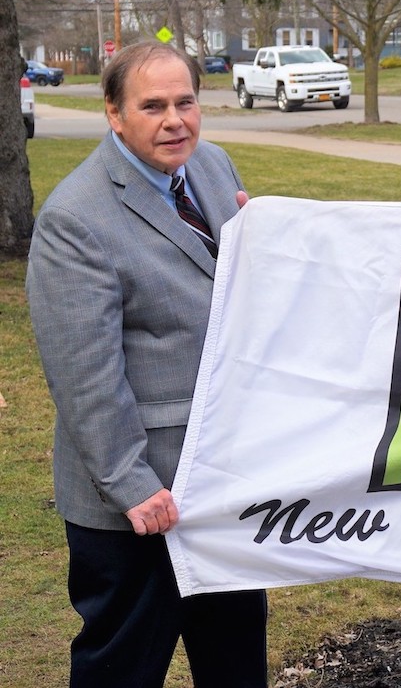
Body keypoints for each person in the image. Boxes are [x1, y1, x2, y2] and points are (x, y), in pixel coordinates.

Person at [26, 42, 267, 688]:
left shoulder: (211, 165)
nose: (174, 121)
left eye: (185, 102)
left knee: (236, 661)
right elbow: (85, 378)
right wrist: (131, 485)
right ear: (114, 113)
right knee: (122, 669)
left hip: (221, 484)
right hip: (138, 501)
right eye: (153, 106)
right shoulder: (75, 219)